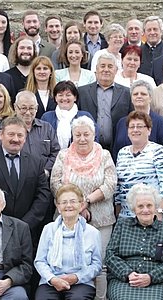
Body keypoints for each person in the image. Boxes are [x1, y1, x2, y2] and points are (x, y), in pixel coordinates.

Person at [50, 116, 117, 300]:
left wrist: (85, 201)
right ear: (72, 135)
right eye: (77, 134)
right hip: (68, 217)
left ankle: (100, 298)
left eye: (86, 134)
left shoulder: (104, 155)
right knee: (69, 263)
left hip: (101, 218)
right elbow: (55, 183)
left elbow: (111, 184)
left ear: (93, 134)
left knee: (99, 264)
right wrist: (76, 206)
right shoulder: (63, 155)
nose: (82, 138)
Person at [0, 116, 51, 246]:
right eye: (11, 134)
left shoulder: (36, 162)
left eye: (20, 135)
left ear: (25, 138)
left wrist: (24, 225)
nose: (15, 139)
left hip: (26, 232)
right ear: (1, 135)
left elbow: (43, 196)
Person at [106, 183, 163, 300]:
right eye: (140, 206)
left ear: (155, 207)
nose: (145, 210)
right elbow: (110, 255)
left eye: (149, 205)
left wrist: (151, 277)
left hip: (158, 282)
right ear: (133, 209)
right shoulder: (122, 225)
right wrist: (128, 274)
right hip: (125, 279)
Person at [34, 184, 102, 300]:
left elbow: (96, 265)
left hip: (81, 282)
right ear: (58, 206)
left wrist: (76, 277)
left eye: (73, 201)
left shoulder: (92, 232)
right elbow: (40, 261)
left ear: (81, 205)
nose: (68, 205)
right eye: (64, 202)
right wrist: (53, 279)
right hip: (51, 281)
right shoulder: (48, 229)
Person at [114, 111, 163, 220]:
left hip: (151, 216)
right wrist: (118, 209)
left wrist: (159, 211)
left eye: (140, 126)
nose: (135, 130)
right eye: (132, 127)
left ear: (149, 130)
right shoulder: (122, 152)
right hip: (126, 217)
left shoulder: (158, 151)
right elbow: (118, 185)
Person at [78, 52, 133, 151]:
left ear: (116, 70)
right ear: (96, 69)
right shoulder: (82, 92)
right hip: (89, 148)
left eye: (110, 66)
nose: (106, 70)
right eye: (102, 66)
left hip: (118, 147)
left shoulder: (126, 93)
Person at [112, 80, 163, 160]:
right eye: (135, 94)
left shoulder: (160, 121)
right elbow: (115, 151)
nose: (139, 96)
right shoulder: (122, 122)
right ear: (131, 99)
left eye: (143, 94)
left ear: (150, 98)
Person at [13, 90, 60, 176]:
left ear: (37, 108)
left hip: (44, 178)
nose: (27, 112)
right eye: (23, 108)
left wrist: (46, 170)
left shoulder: (46, 128)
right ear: (15, 107)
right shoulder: (8, 129)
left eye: (31, 108)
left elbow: (56, 152)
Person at [41, 80, 98, 149]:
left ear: (75, 97)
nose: (64, 98)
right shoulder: (47, 117)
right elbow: (42, 142)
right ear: (55, 98)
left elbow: (95, 139)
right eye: (60, 95)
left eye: (68, 95)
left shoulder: (85, 116)